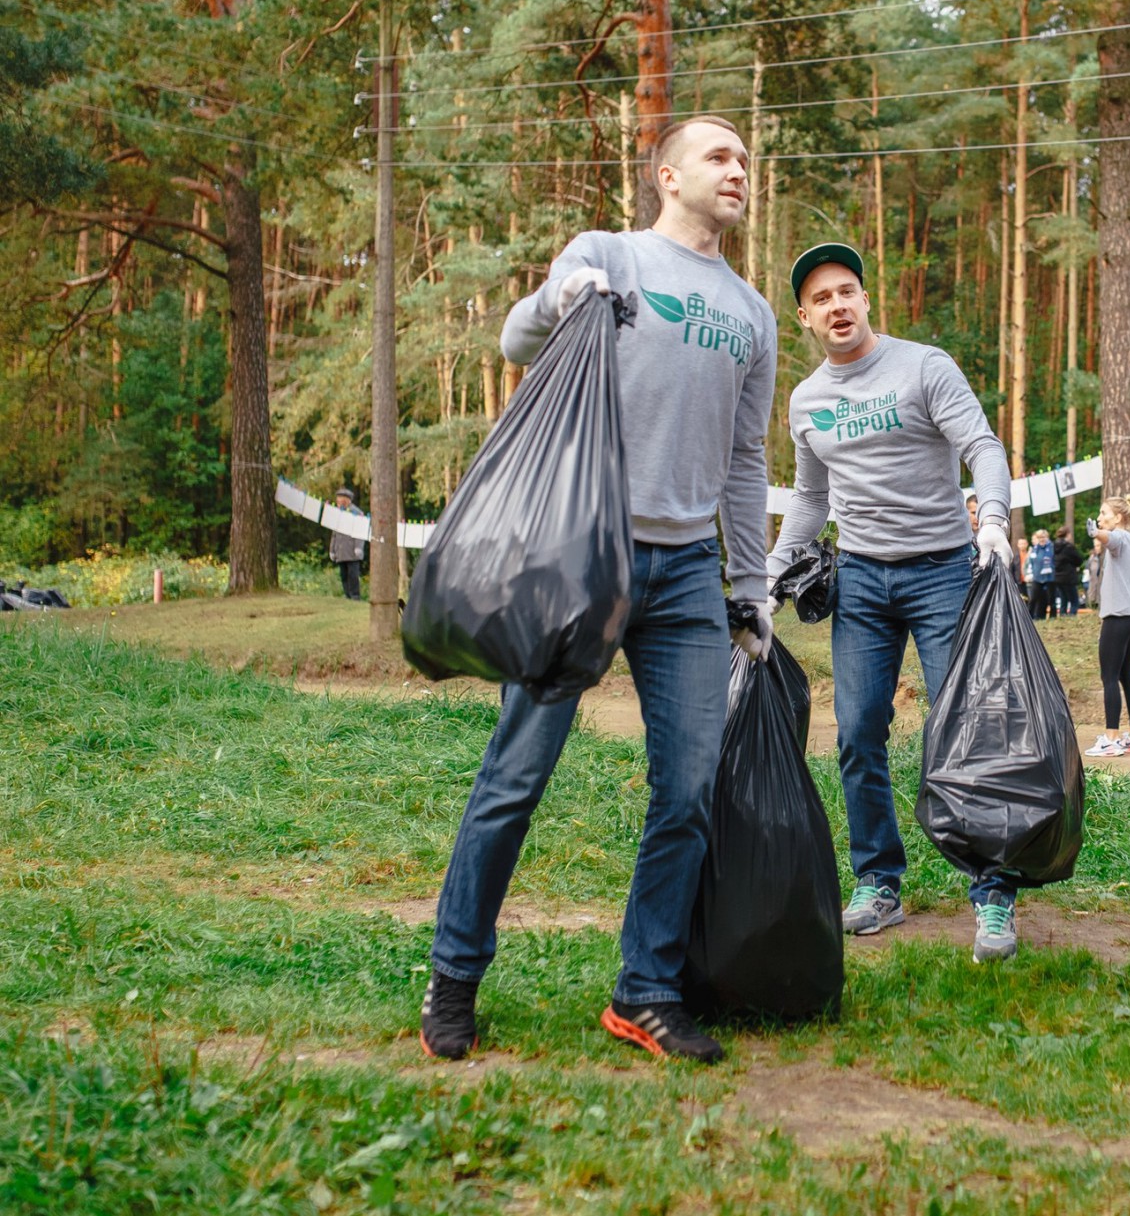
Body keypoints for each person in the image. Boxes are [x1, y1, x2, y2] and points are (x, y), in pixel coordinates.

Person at [421, 115, 775, 1069]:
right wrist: (559, 295)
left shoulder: (751, 311)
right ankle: (453, 975)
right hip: (580, 560)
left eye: (745, 158)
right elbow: (512, 338)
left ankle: (646, 990)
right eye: (718, 155)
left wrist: (753, 583)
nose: (738, 168)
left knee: (689, 789)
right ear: (666, 173)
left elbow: (746, 459)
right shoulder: (610, 254)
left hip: (688, 576)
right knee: (515, 777)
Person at [765, 241, 1021, 964]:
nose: (838, 305)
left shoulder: (923, 366)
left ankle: (993, 891)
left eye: (848, 290)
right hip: (863, 582)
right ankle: (879, 882)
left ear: (866, 299)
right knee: (858, 733)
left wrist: (994, 521)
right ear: (806, 318)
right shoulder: (806, 400)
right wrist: (767, 577)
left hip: (943, 570)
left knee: (967, 730)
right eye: (822, 299)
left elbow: (982, 445)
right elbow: (810, 500)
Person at [1085, 496, 1130, 757]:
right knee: (1126, 676)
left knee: (1109, 678)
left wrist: (1096, 533)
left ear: (1118, 518)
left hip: (1117, 618)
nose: (1100, 517)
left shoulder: (1121, 538)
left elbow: (1111, 539)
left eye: (1104, 513)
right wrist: (1100, 535)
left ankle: (1110, 739)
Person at [328, 487, 365, 601]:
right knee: (343, 575)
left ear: (347, 500)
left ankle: (355, 596)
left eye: (341, 499)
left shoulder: (356, 513)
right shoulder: (338, 513)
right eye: (338, 499)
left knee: (353, 575)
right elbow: (334, 533)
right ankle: (347, 595)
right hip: (340, 549)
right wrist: (332, 549)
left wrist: (358, 547)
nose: (339, 502)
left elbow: (360, 531)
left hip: (352, 549)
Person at [1050, 526, 1083, 616]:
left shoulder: (1053, 546)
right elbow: (1078, 559)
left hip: (1058, 576)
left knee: (1063, 597)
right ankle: (1072, 615)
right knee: (1074, 599)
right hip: (1069, 576)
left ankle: (1062, 614)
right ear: (1068, 535)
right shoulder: (1069, 547)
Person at [1027, 529, 1055, 619]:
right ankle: (1029, 617)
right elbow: (1031, 562)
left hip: (1049, 577)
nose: (1041, 539)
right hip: (1037, 577)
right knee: (1033, 598)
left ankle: (1052, 616)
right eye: (1039, 537)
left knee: (1050, 598)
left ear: (1047, 537)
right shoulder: (1035, 549)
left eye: (1043, 537)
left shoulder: (1051, 547)